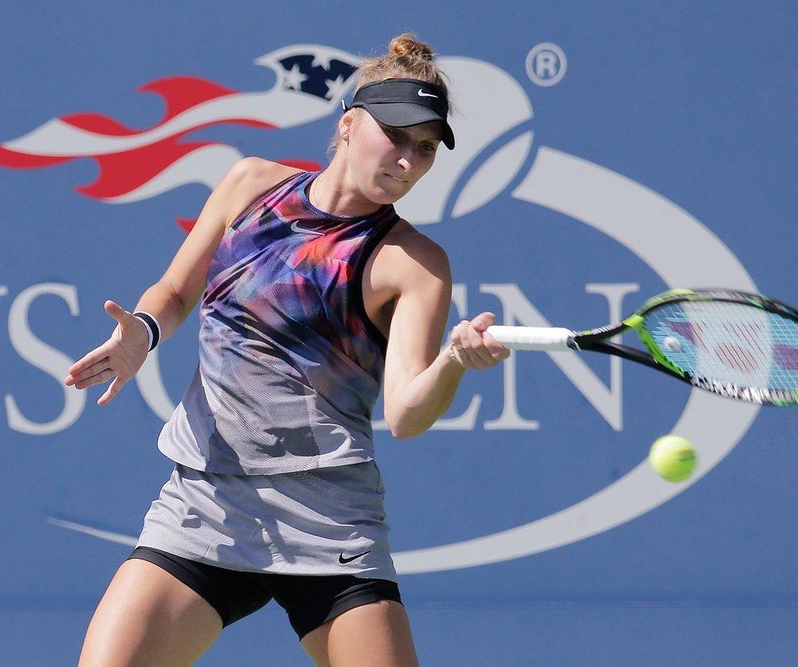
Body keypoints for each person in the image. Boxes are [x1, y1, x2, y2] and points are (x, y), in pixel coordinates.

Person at [66, 33, 509, 666]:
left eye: (426, 149)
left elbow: (408, 413)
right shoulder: (250, 184)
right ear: (350, 124)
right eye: (398, 137)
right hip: (207, 502)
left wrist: (453, 362)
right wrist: (144, 329)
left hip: (329, 519)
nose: (409, 161)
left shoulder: (415, 263)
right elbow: (173, 290)